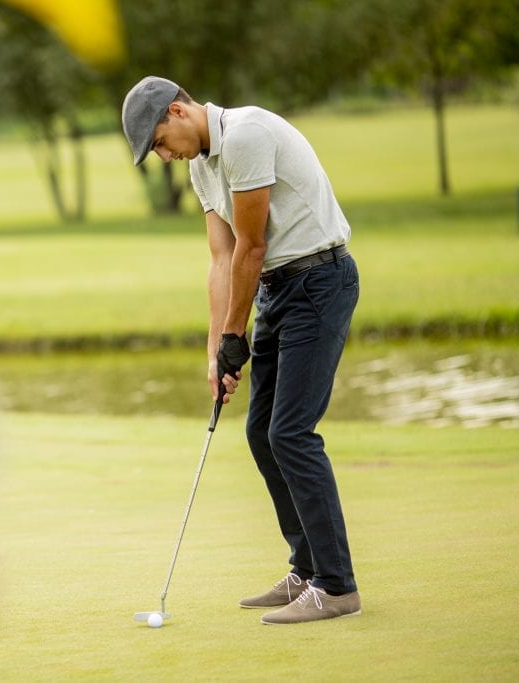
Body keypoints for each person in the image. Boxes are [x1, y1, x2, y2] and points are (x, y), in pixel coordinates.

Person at [121, 76, 362, 624]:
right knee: (261, 433)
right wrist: (216, 349)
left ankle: (337, 586)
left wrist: (236, 335)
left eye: (159, 142)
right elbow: (221, 257)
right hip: (279, 288)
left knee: (291, 433)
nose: (162, 156)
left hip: (320, 281)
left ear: (178, 112)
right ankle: (307, 568)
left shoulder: (248, 134)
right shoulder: (201, 164)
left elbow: (252, 246)